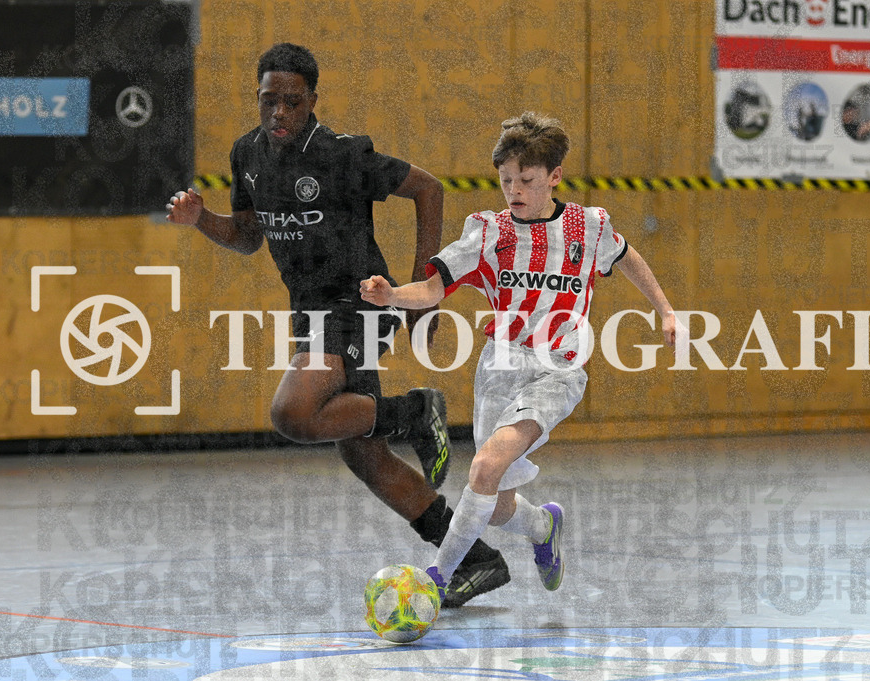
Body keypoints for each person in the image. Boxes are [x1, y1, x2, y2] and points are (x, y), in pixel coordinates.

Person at [165, 42, 509, 607]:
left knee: (293, 413)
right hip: (310, 314)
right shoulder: (246, 155)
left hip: (359, 305)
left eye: (292, 103)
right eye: (269, 101)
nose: (279, 113)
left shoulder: (341, 155)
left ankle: (415, 412)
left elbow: (428, 188)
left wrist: (427, 291)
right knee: (365, 455)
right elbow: (250, 237)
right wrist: (202, 219)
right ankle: (473, 558)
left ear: (312, 102)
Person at [360, 112, 679, 601]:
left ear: (553, 176)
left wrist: (665, 309)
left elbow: (627, 255)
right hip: (500, 367)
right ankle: (542, 527)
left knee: (484, 468)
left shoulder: (587, 227)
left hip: (559, 371)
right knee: (497, 497)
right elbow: (431, 287)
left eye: (526, 180)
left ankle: (436, 580)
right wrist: (391, 297)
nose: (514, 189)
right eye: (506, 180)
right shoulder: (488, 234)